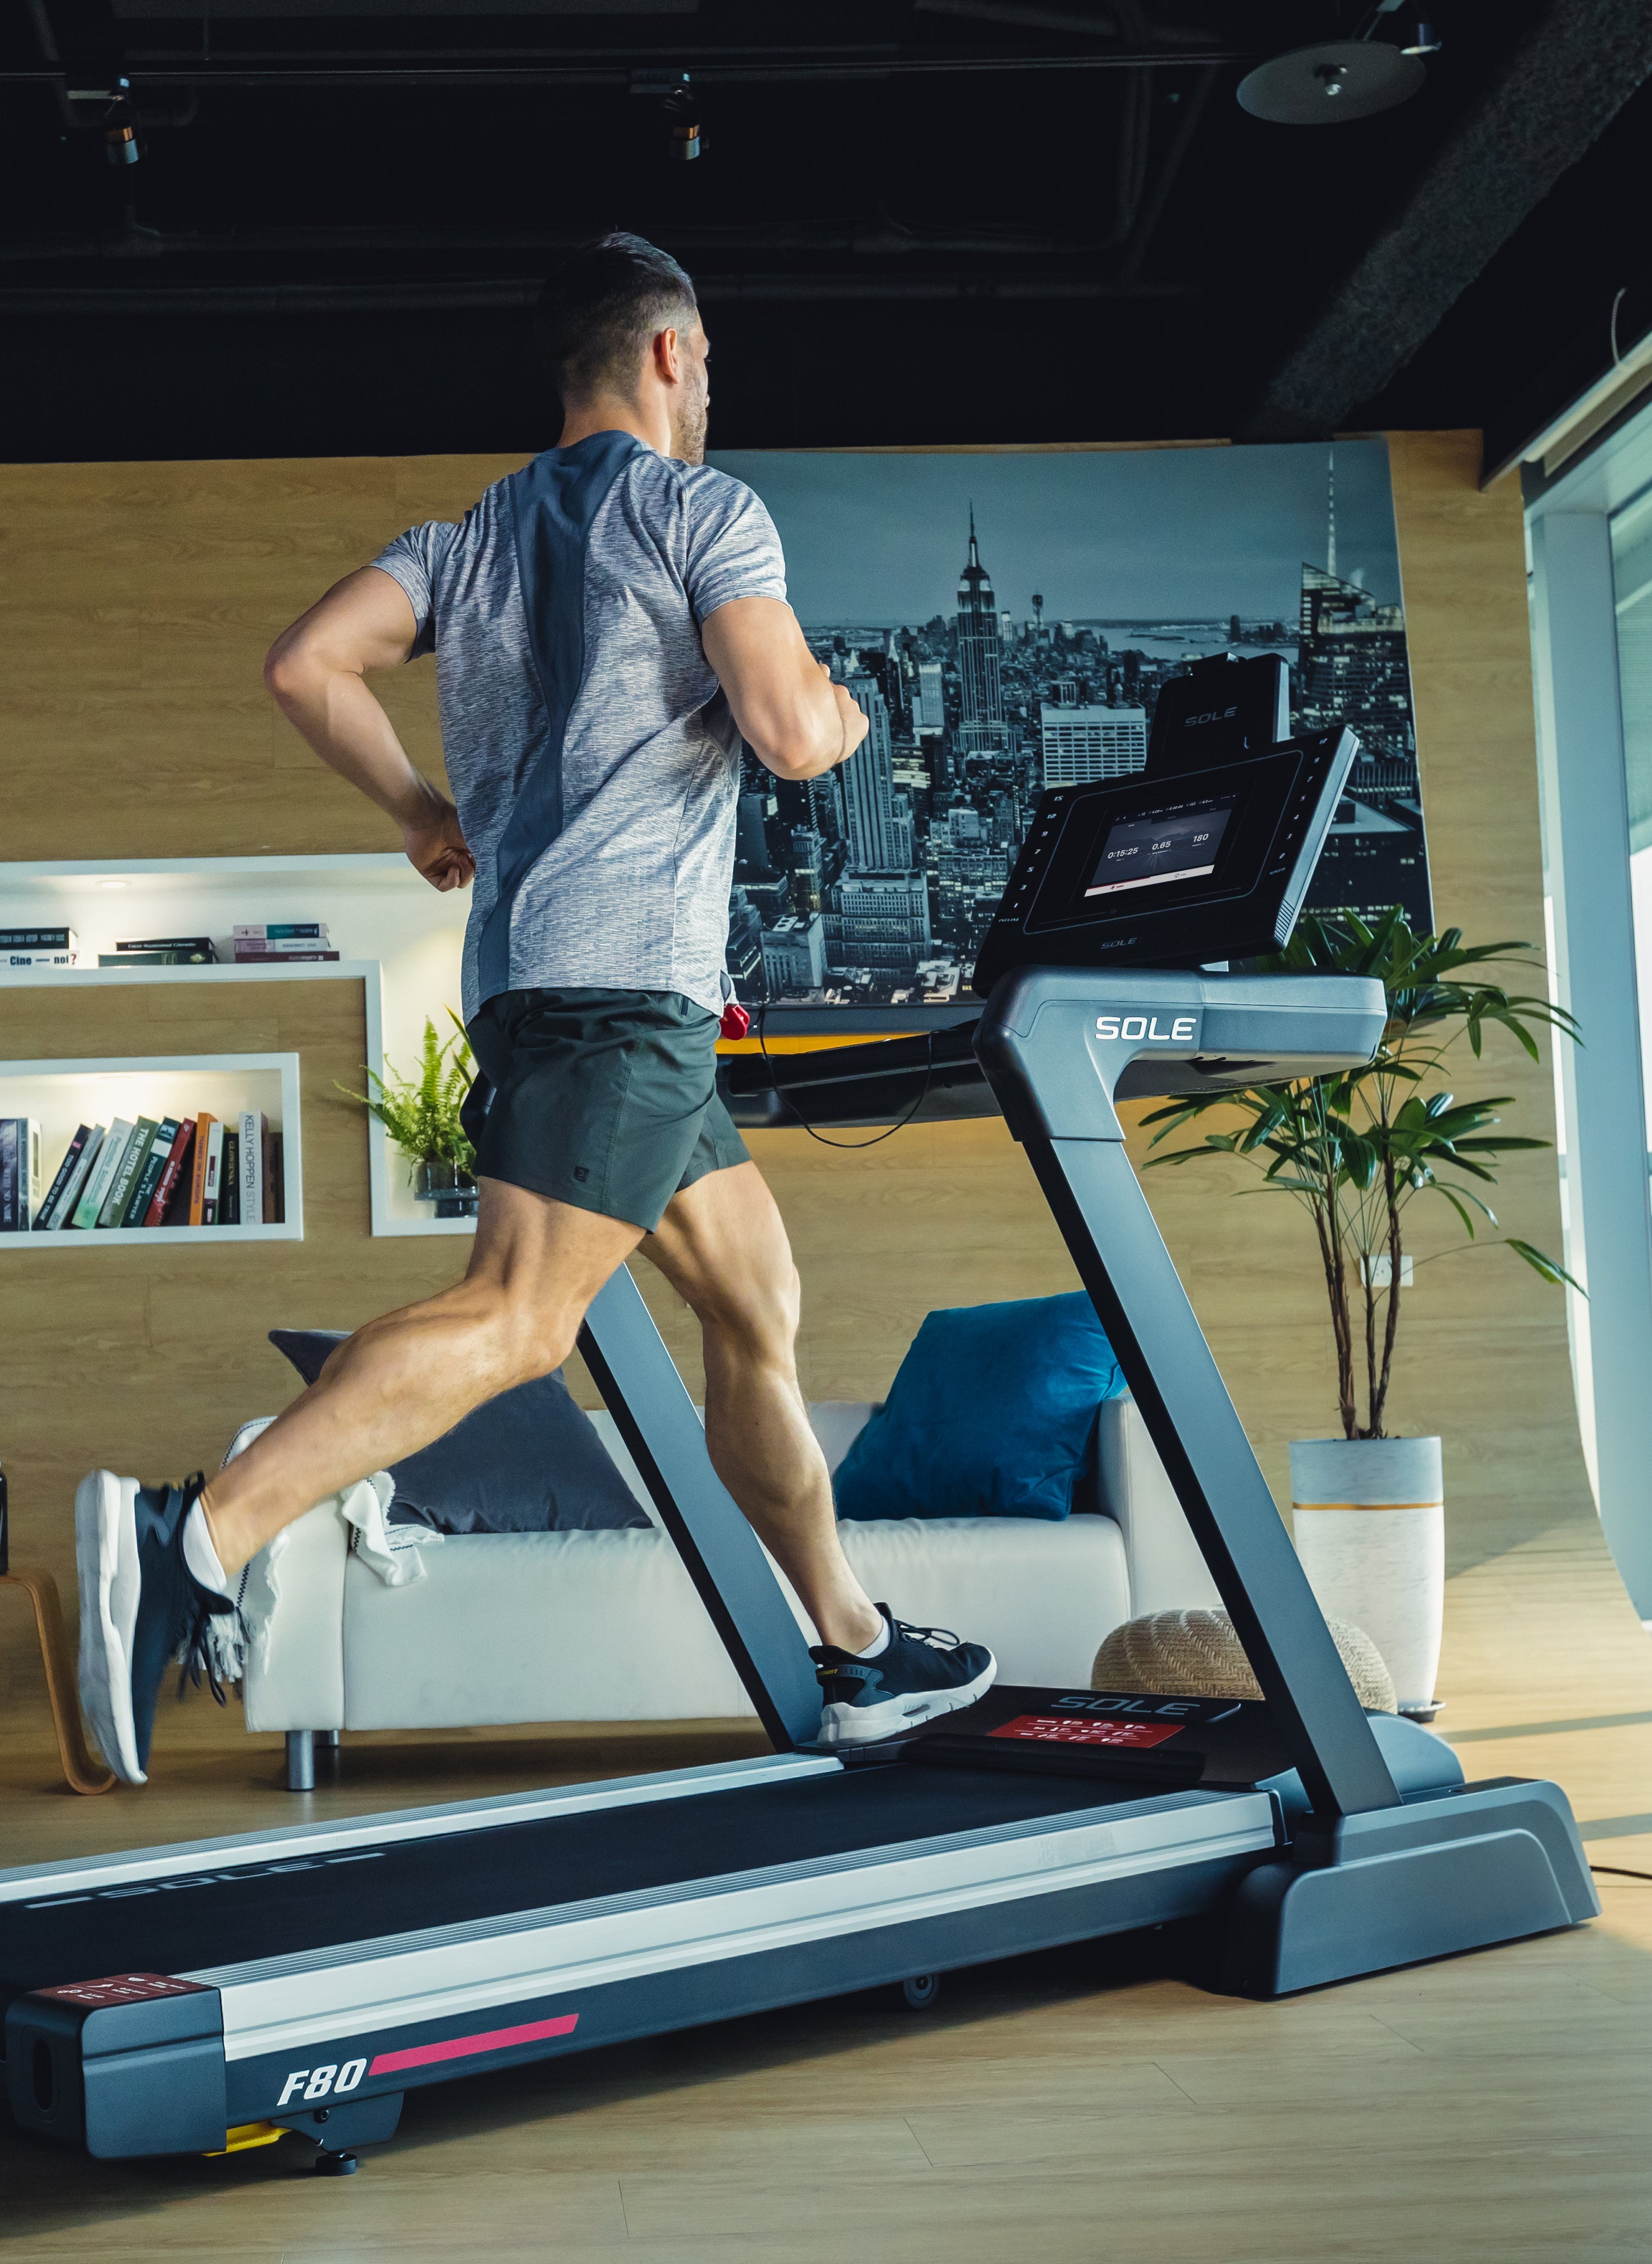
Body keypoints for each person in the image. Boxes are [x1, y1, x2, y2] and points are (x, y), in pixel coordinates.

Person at [75, 231, 994, 1784]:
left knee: (756, 1300)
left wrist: (427, 812)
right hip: (619, 990)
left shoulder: (468, 539)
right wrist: (841, 715)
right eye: (704, 364)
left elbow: (309, 668)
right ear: (662, 356)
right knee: (522, 1317)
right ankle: (197, 1534)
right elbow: (784, 731)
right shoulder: (707, 509)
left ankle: (851, 1645)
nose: (709, 390)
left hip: (556, 984)